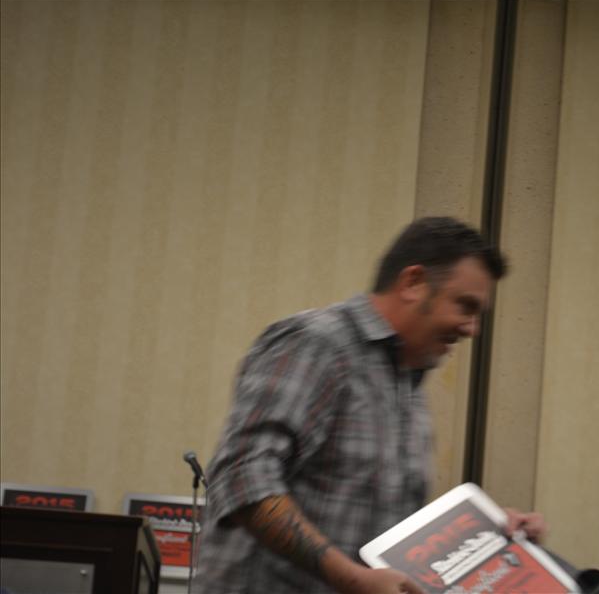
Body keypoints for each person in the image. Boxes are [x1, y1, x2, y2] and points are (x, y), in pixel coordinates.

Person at [195, 217, 546, 593]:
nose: (471, 328)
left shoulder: (407, 382)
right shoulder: (317, 343)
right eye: (465, 306)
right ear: (413, 282)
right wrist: (352, 578)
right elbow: (243, 475)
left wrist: (491, 537)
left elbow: (388, 535)